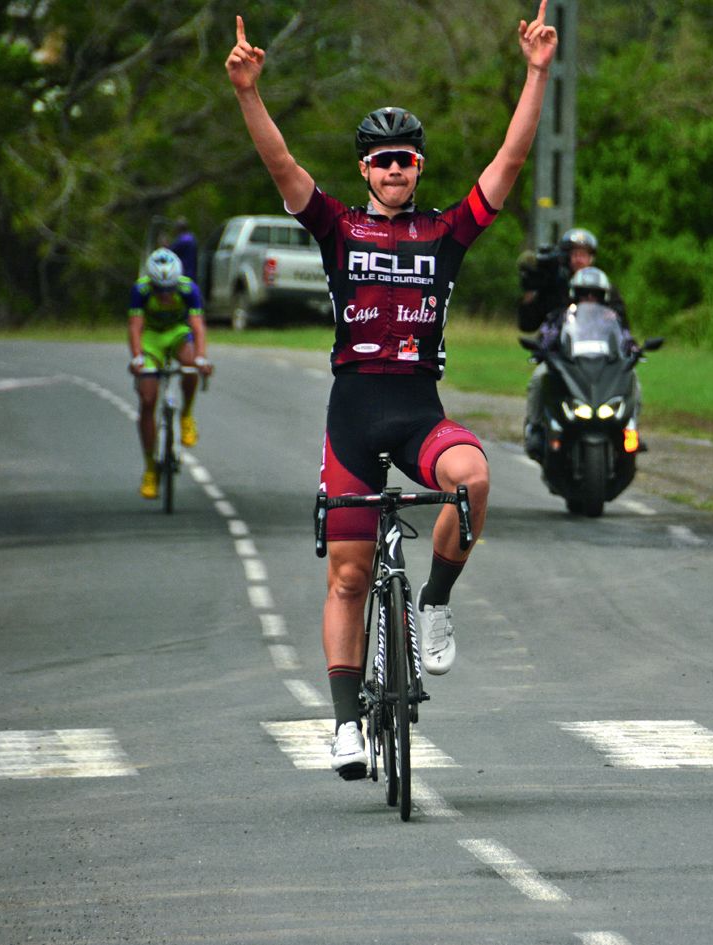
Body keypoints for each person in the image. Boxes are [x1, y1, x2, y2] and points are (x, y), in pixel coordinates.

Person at [225, 6, 557, 779]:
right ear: (365, 170)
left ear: (418, 168)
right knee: (347, 572)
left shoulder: (444, 232)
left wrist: (537, 71)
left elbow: (508, 164)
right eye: (381, 161)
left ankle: (433, 600)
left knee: (472, 478)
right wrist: (248, 94)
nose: (395, 170)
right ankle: (344, 724)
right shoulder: (337, 227)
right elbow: (281, 168)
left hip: (416, 411)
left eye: (406, 159)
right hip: (353, 414)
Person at [523, 266, 640, 457]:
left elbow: (625, 339)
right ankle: (534, 429)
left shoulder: (612, 319)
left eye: (595, 294)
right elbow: (546, 336)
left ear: (604, 297)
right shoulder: (562, 316)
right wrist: (541, 349)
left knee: (632, 377)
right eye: (584, 294)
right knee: (539, 376)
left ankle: (631, 427)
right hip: (568, 367)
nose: (589, 299)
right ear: (574, 294)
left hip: (604, 367)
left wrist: (634, 350)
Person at [128, 247, 212, 499]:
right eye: (159, 290)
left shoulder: (188, 289)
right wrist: (137, 358)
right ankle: (150, 468)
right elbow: (135, 328)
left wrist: (201, 358)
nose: (165, 296)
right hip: (152, 339)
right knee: (147, 399)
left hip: (176, 333)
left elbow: (197, 328)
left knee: (189, 365)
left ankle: (186, 414)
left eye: (169, 289)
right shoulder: (140, 290)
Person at [517, 227, 626, 331]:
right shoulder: (555, 288)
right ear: (566, 257)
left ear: (591, 258)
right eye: (574, 254)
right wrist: (530, 289)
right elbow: (527, 325)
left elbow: (621, 326)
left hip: (596, 346)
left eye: (583, 255)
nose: (578, 260)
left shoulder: (603, 287)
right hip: (562, 347)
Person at [169, 217, 200, 285]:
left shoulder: (182, 240)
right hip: (192, 271)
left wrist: (165, 246)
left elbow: (170, 252)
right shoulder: (192, 238)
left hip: (183, 272)